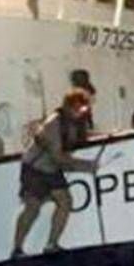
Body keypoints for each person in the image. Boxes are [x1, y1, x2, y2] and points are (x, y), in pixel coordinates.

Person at [12, 89, 100, 257]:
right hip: (35, 169)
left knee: (65, 202)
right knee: (33, 207)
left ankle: (52, 244)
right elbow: (58, 156)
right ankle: (17, 248)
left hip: (51, 169)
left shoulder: (75, 124)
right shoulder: (54, 123)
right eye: (77, 108)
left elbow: (80, 139)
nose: (80, 112)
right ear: (68, 106)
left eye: (83, 108)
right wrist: (86, 166)